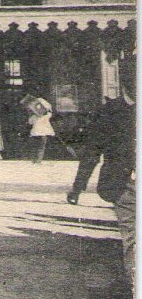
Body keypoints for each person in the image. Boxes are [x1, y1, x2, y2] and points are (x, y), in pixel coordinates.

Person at [70, 61, 137, 206]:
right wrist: (77, 187)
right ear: (125, 86)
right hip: (121, 183)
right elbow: (92, 152)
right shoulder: (108, 112)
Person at [21, 92, 55, 164]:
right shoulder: (46, 116)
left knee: (34, 147)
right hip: (44, 133)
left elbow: (30, 122)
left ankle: (34, 160)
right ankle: (38, 161)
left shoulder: (34, 117)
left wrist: (30, 114)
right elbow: (50, 113)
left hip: (35, 133)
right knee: (41, 147)